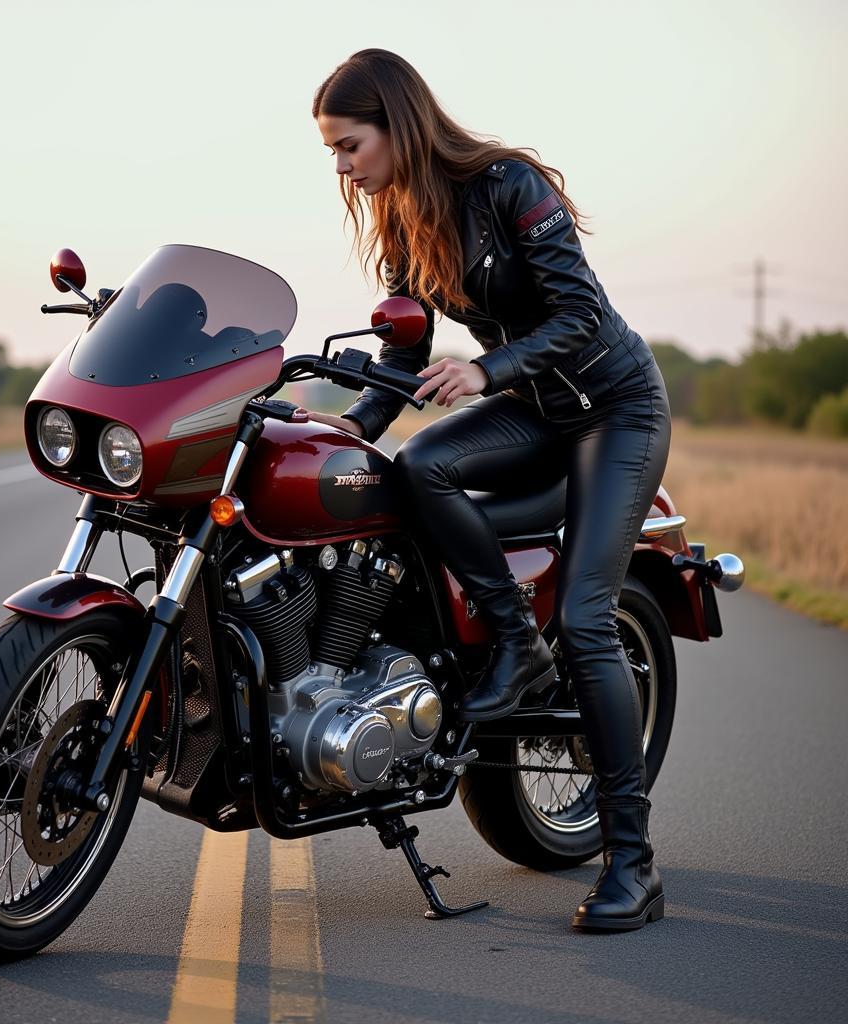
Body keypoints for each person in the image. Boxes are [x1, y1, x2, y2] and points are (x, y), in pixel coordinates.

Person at [301, 48, 671, 932]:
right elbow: (400, 349)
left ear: (397, 123)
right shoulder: (400, 217)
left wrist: (485, 369)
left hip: (614, 406)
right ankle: (512, 640)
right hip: (537, 410)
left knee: (587, 617)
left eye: (350, 146)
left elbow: (582, 314)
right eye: (334, 153)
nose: (343, 167)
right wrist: (349, 427)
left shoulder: (509, 186)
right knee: (416, 469)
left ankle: (634, 865)